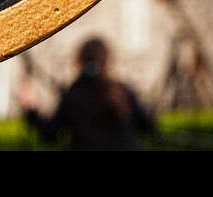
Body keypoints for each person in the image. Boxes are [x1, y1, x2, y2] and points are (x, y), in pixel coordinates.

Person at [19, 37, 155, 151]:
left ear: (79, 59)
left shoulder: (75, 95)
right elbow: (148, 127)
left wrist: (30, 107)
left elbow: (50, 134)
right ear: (107, 59)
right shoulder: (123, 91)